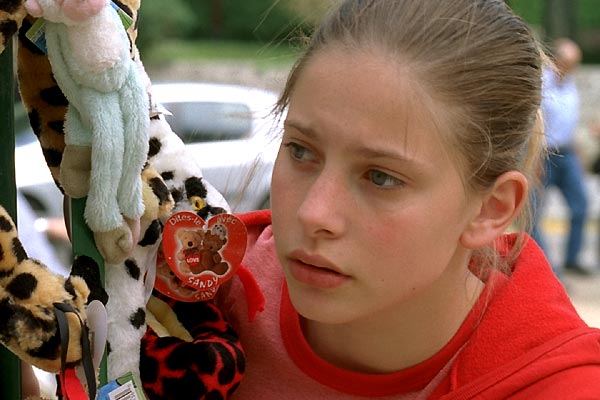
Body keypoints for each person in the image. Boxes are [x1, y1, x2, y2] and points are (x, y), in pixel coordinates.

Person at [142, 0, 600, 398]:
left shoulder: (557, 385)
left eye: (381, 177)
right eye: (301, 151)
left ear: (491, 208)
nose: (313, 213)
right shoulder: (172, 308)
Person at [532, 38, 592, 276]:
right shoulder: (542, 84)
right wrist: (533, 158)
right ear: (558, 60)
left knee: (581, 205)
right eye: (570, 62)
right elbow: (533, 125)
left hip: (567, 154)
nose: (573, 67)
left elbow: (567, 120)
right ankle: (547, 268)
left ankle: (571, 258)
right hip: (543, 155)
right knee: (534, 214)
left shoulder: (570, 84)